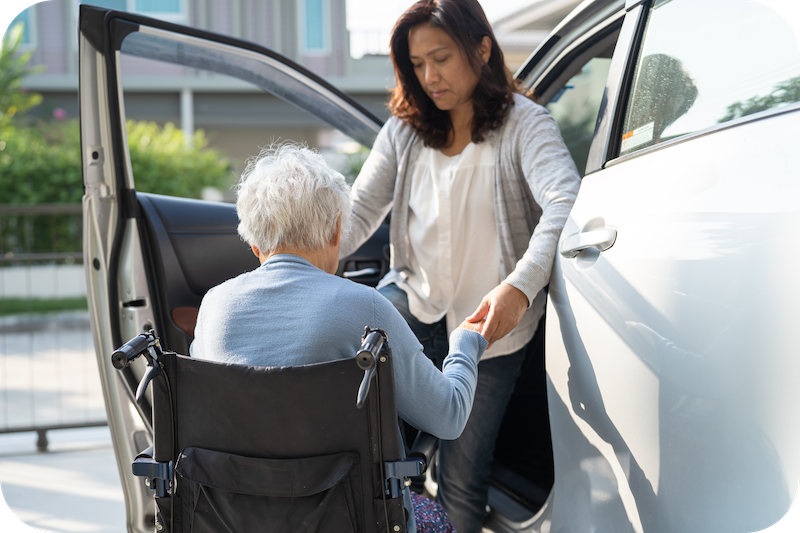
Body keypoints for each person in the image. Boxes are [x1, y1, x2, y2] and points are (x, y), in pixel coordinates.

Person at [338, 1, 581, 531]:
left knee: (462, 475)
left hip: (488, 330)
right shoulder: (404, 132)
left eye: (441, 58)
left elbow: (566, 202)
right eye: (417, 64)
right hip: (413, 306)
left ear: (482, 48)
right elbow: (356, 214)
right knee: (368, 452)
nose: (429, 77)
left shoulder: (525, 124)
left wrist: (519, 289)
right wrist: (294, 261)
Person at [190, 143, 488, 533]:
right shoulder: (366, 308)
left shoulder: (214, 307)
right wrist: (466, 343)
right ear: (335, 231)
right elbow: (447, 417)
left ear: (255, 243)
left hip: (232, 520)